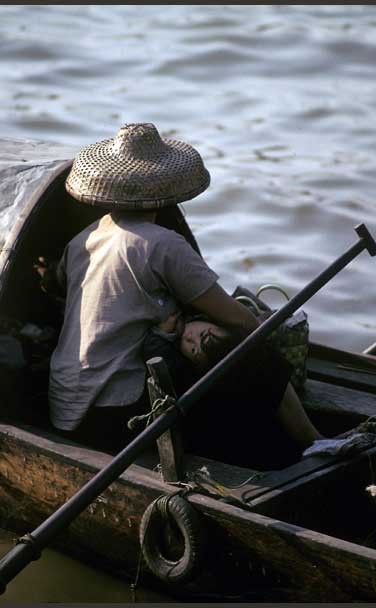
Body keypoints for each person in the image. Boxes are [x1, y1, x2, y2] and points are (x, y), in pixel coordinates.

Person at [37, 123, 261, 452]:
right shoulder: (161, 244)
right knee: (261, 357)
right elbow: (241, 321)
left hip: (65, 398)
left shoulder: (84, 238)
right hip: (112, 407)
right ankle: (310, 444)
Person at [142, 312, 324, 470]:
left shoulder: (255, 362)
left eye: (202, 336)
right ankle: (314, 441)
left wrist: (159, 335)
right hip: (241, 454)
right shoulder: (198, 379)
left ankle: (314, 441)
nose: (190, 338)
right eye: (193, 348)